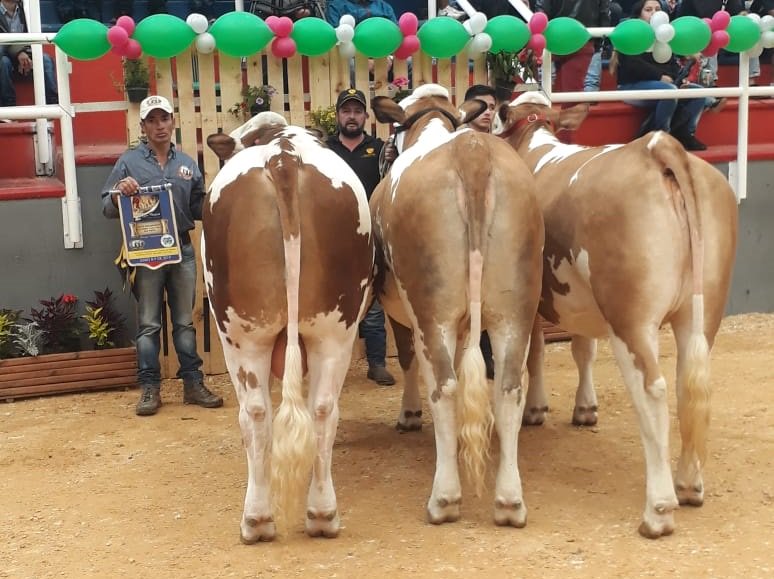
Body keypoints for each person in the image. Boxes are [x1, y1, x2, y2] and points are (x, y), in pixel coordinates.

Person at [101, 95, 223, 416]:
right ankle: (150, 388)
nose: (159, 126)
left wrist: (219, 200)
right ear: (143, 126)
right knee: (149, 324)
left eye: (164, 118)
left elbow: (198, 207)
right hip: (146, 253)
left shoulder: (186, 163)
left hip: (181, 248)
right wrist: (119, 195)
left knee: (185, 322)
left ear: (173, 121)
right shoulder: (128, 163)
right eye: (152, 120)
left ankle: (193, 384)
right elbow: (105, 206)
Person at [326, 88, 396, 386]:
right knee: (330, 304)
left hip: (370, 237)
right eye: (346, 111)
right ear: (338, 115)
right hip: (334, 237)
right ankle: (330, 368)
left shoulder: (381, 149)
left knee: (373, 303)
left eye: (357, 111)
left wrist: (393, 159)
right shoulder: (325, 151)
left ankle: (376, 363)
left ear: (366, 116)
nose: (351, 116)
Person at [614, 0, 707, 150]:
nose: (654, 13)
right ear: (639, 14)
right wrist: (660, 77)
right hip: (632, 85)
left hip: (664, 84)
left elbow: (670, 63)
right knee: (669, 92)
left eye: (657, 9)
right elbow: (632, 66)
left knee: (699, 93)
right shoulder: (631, 34)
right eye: (648, 10)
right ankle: (662, 136)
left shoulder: (663, 35)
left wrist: (679, 79)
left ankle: (685, 135)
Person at [461, 84, 497, 380]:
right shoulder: (453, 145)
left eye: (493, 106)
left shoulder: (503, 147)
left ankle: (488, 355)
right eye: (481, 106)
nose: (488, 111)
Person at [0, 0, 58, 109]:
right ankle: (8, 106)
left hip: (25, 51)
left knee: (46, 60)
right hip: (5, 54)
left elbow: (32, 34)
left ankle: (52, 103)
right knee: (3, 62)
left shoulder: (26, 10)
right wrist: (18, 52)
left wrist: (22, 52)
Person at [326, 0, 398, 24]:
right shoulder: (336, 5)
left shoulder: (383, 5)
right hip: (352, 55)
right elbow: (336, 34)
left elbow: (396, 31)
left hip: (386, 53)